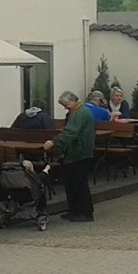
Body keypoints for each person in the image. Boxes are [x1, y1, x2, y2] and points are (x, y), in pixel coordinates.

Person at [43, 91, 96, 222]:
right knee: (71, 182)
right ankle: (75, 210)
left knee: (79, 183)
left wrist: (54, 142)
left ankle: (85, 212)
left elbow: (71, 132)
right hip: (74, 152)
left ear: (73, 101)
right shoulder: (77, 112)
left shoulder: (80, 113)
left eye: (66, 104)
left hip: (79, 153)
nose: (65, 107)